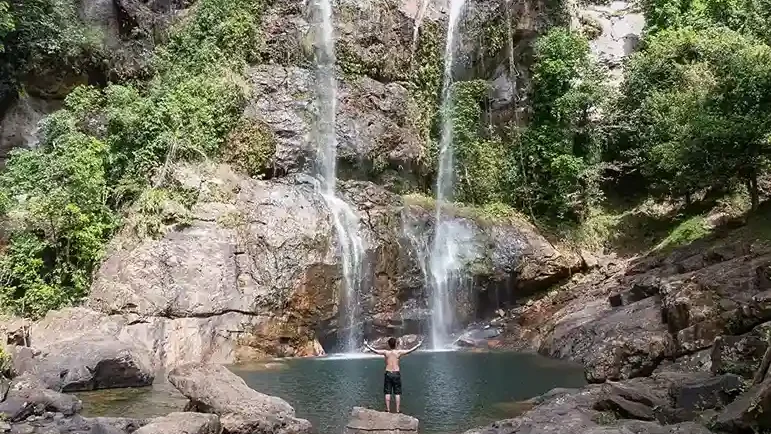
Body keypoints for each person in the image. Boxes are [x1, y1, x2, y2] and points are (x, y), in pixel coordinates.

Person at [363, 337, 423, 413]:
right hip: (396, 373)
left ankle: (388, 410)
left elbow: (375, 351)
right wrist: (418, 345)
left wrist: (367, 345)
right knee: (397, 392)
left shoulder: (386, 352)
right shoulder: (399, 352)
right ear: (396, 344)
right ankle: (397, 410)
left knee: (387, 392)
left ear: (388, 344)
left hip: (388, 373)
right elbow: (410, 351)